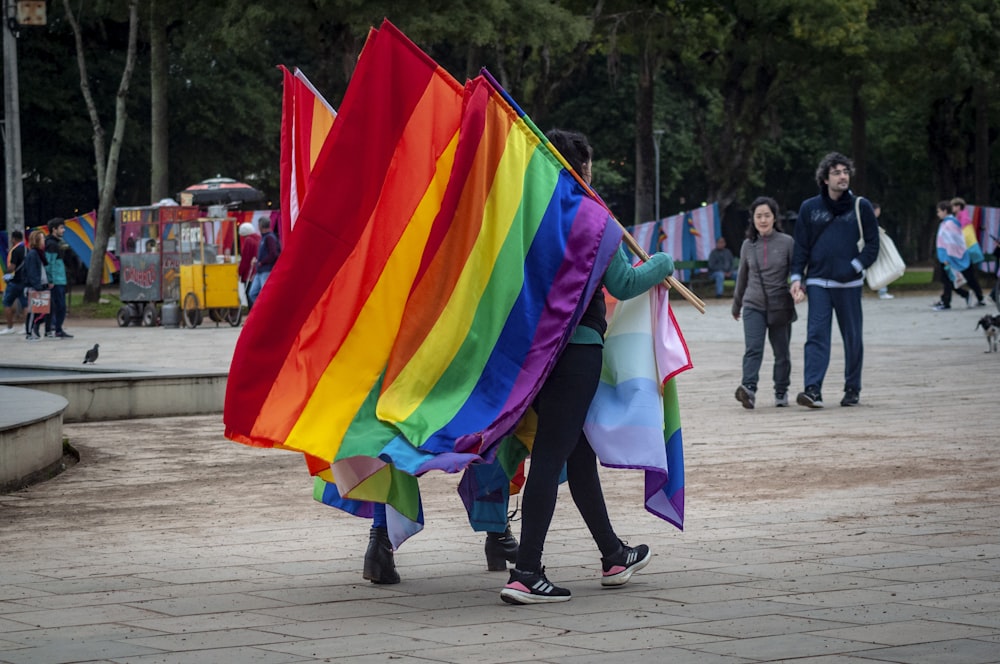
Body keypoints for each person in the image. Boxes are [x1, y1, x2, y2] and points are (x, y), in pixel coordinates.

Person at [500, 129, 675, 605]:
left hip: (537, 357)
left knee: (578, 457)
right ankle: (526, 572)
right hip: (576, 354)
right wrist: (663, 262)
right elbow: (624, 278)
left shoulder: (527, 218)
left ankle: (614, 554)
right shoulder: (595, 218)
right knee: (554, 457)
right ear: (584, 170)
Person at [790, 152, 879, 409]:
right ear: (825, 178)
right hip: (818, 283)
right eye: (837, 172)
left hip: (850, 285)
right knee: (816, 336)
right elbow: (801, 247)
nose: (843, 176)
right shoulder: (809, 208)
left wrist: (854, 267)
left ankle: (853, 388)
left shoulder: (861, 206)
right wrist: (797, 278)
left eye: (845, 172)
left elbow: (873, 244)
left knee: (852, 338)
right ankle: (813, 390)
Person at [731, 196, 795, 409]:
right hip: (753, 304)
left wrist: (799, 288)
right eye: (759, 216)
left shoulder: (787, 242)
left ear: (774, 217)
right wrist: (736, 305)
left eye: (767, 215)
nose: (763, 220)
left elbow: (796, 272)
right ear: (753, 219)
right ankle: (748, 389)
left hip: (780, 306)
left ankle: (781, 390)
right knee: (753, 348)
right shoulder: (748, 245)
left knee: (782, 352)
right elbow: (742, 277)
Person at [933, 200, 985, 310]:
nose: (937, 214)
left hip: (951, 256)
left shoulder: (949, 224)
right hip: (952, 255)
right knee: (950, 279)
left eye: (939, 211)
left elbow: (951, 242)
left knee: (951, 279)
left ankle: (947, 302)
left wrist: (947, 257)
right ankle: (963, 295)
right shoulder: (948, 222)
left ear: (945, 211)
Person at [43, 218, 73, 339]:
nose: (63, 230)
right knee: (59, 306)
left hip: (60, 279)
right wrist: (50, 280)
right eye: (61, 228)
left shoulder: (57, 243)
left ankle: (57, 328)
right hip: (56, 281)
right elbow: (49, 263)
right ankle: (55, 328)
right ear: (54, 229)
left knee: (59, 306)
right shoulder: (51, 244)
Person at [22, 230, 51, 341]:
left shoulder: (39, 254)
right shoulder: (33, 254)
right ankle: (29, 332)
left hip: (41, 285)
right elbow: (32, 272)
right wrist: (37, 286)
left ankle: (34, 330)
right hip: (34, 287)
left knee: (41, 311)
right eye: (42, 238)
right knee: (33, 311)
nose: (44, 240)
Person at [247, 218, 280, 306]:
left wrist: (262, 262)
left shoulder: (269, 238)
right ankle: (261, 308)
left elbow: (273, 254)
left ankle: (266, 309)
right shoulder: (264, 238)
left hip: (266, 270)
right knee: (253, 293)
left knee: (264, 294)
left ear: (261, 226)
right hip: (260, 270)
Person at [1, 230, 26, 335]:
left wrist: (6, 272)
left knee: (7, 303)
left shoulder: (15, 250)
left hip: (14, 281)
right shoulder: (26, 249)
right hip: (25, 281)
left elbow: (12, 267)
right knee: (25, 305)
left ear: (14, 239)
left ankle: (10, 327)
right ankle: (26, 326)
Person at [872, 203, 894, 300]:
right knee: (881, 268)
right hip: (874, 249)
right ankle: (882, 291)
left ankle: (882, 290)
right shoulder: (871, 221)